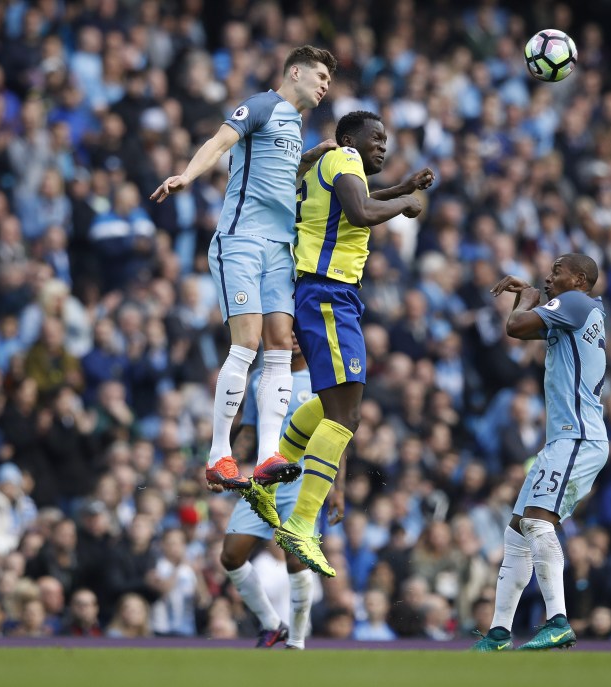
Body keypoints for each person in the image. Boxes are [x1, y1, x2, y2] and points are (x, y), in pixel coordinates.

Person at [150, 46, 338, 495]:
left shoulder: (294, 124)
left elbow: (281, 179)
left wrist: (311, 157)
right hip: (242, 240)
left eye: (329, 80)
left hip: (280, 248)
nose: (325, 85)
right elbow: (218, 142)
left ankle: (269, 455)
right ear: (294, 71)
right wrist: (187, 176)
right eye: (319, 76)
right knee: (247, 342)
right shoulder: (260, 106)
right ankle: (218, 455)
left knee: (279, 345)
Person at [270, 110, 434, 577]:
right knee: (348, 414)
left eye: (387, 139)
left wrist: (401, 189)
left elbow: (355, 204)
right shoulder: (344, 157)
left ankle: (274, 469)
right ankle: (301, 522)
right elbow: (362, 212)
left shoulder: (339, 166)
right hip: (328, 290)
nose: (383, 145)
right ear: (348, 138)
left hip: (327, 291)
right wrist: (404, 206)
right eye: (375, 137)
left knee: (331, 405)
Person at [472, 253, 609, 651]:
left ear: (580, 279)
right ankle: (499, 632)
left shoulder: (576, 303)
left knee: (536, 522)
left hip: (577, 436)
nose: (549, 277)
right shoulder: (577, 312)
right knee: (517, 531)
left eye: (557, 272)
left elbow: (515, 325)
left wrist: (529, 295)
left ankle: (558, 620)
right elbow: (522, 331)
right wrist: (529, 298)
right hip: (566, 438)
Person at [220, 337, 343, 649]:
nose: (292, 339)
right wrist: (229, 463)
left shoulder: (321, 383)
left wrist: (337, 490)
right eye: (286, 333)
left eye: (297, 333)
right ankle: (272, 624)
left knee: (295, 561)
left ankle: (297, 642)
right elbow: (249, 429)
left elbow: (337, 439)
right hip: (263, 481)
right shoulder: (260, 379)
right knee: (231, 556)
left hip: (301, 482)